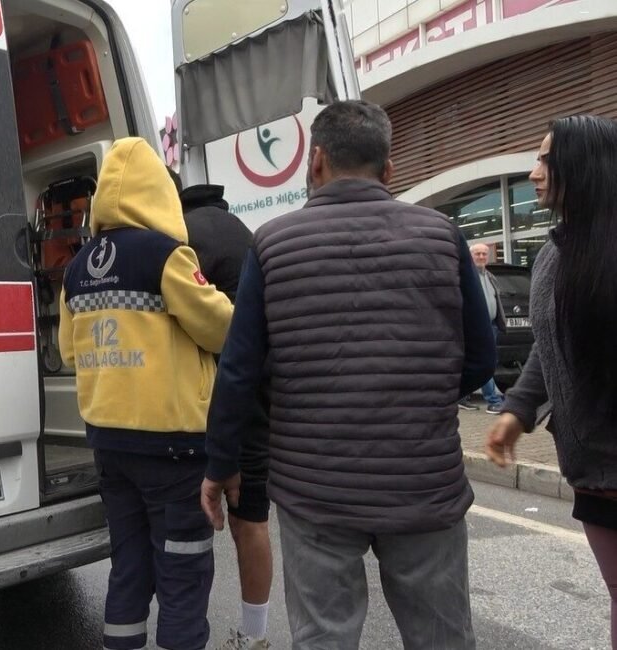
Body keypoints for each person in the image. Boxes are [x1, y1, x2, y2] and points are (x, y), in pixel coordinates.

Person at [202, 100, 496, 649]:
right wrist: (416, 394)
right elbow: (480, 357)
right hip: (423, 484)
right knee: (442, 639)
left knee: (323, 637)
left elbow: (240, 372)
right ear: (388, 170)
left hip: (315, 489)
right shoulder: (441, 235)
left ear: (315, 162)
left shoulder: (273, 244)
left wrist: (221, 465)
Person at [58, 137, 233, 650]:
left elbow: (69, 355)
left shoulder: (76, 268)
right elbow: (220, 327)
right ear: (158, 192)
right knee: (182, 572)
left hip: (109, 445)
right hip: (173, 448)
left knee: (129, 569)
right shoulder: (167, 256)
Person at [486, 115, 617, 649]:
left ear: (582, 168)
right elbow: (550, 341)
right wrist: (516, 412)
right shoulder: (553, 256)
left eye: (545, 159)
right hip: (592, 471)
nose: (534, 173)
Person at [171, 171, 273, 650]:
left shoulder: (180, 236)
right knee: (249, 516)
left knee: (198, 510)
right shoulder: (243, 232)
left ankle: (185, 627)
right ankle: (253, 635)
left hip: (214, 389)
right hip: (261, 390)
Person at [458, 242, 507, 414]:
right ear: (470, 256)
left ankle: (462, 398)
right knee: (486, 362)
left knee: (487, 362)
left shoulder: (490, 276)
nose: (481, 257)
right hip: (475, 326)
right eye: (477, 254)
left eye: (484, 254)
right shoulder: (467, 276)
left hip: (491, 325)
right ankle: (493, 400)